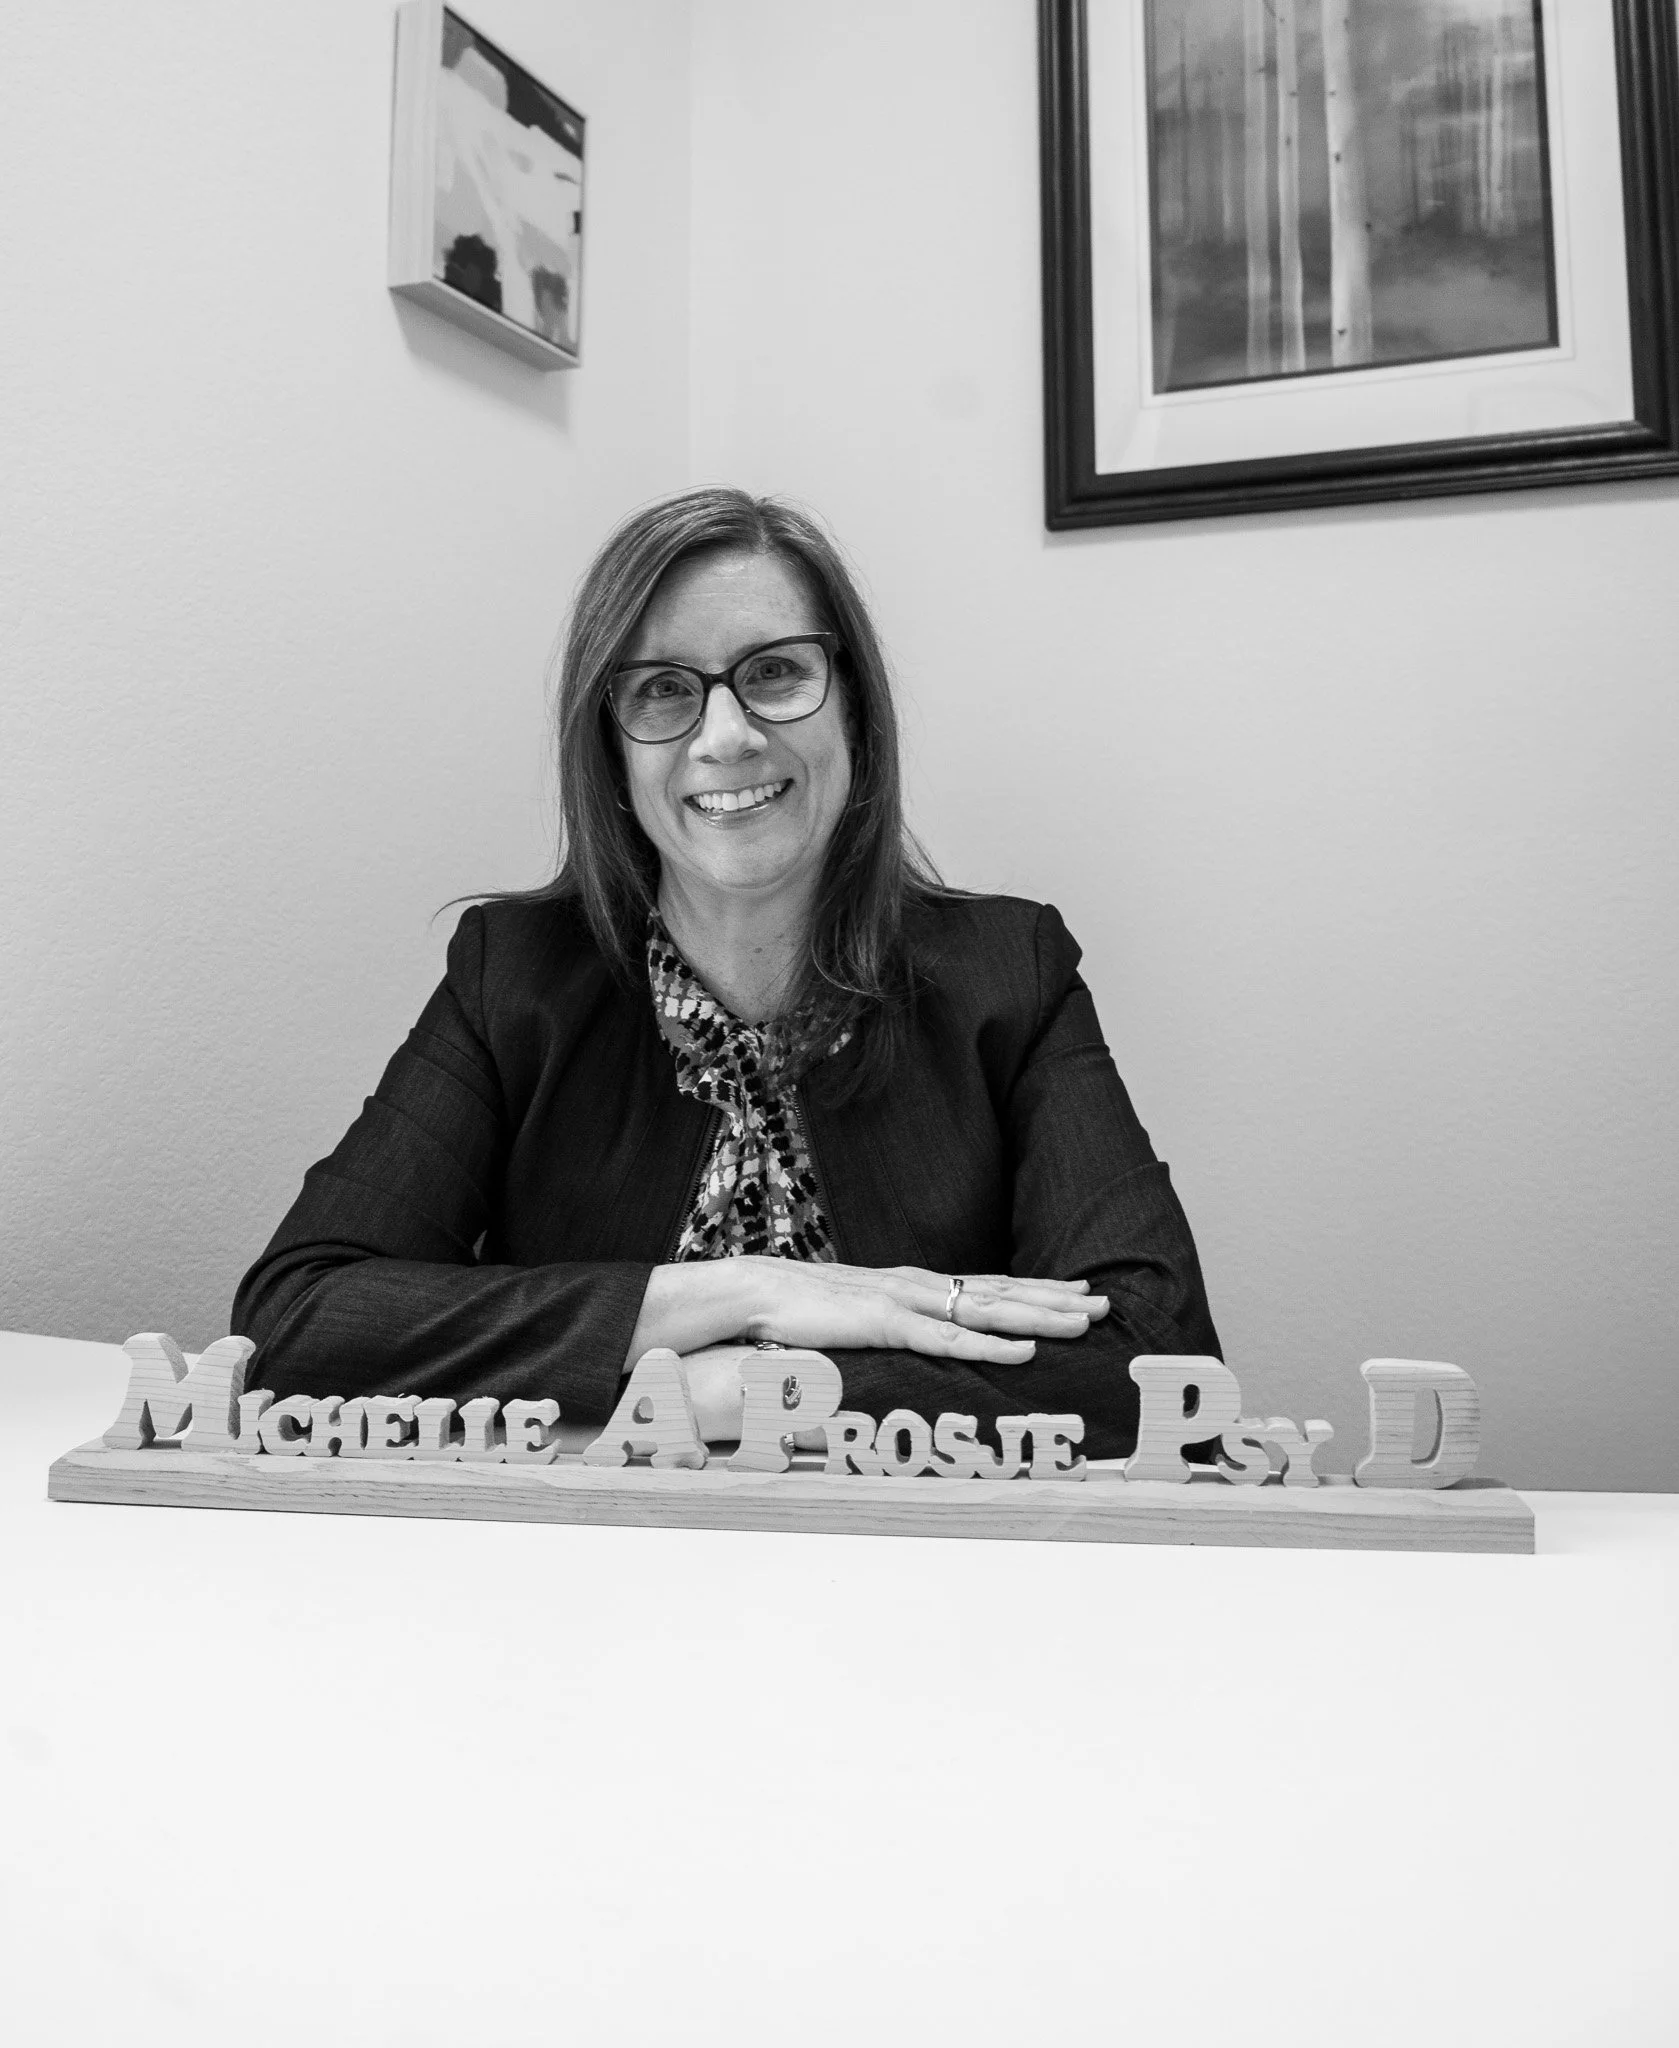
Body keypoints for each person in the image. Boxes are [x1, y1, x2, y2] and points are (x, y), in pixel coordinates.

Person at [232, 488, 1220, 1459]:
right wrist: (751, 1292)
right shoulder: (513, 977)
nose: (725, 735)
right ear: (609, 752)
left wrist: (751, 1388)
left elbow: (1159, 1357)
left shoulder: (1009, 970)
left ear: (855, 716)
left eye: (775, 672)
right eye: (662, 688)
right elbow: (294, 1323)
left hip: (918, 1573)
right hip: (576, 1564)